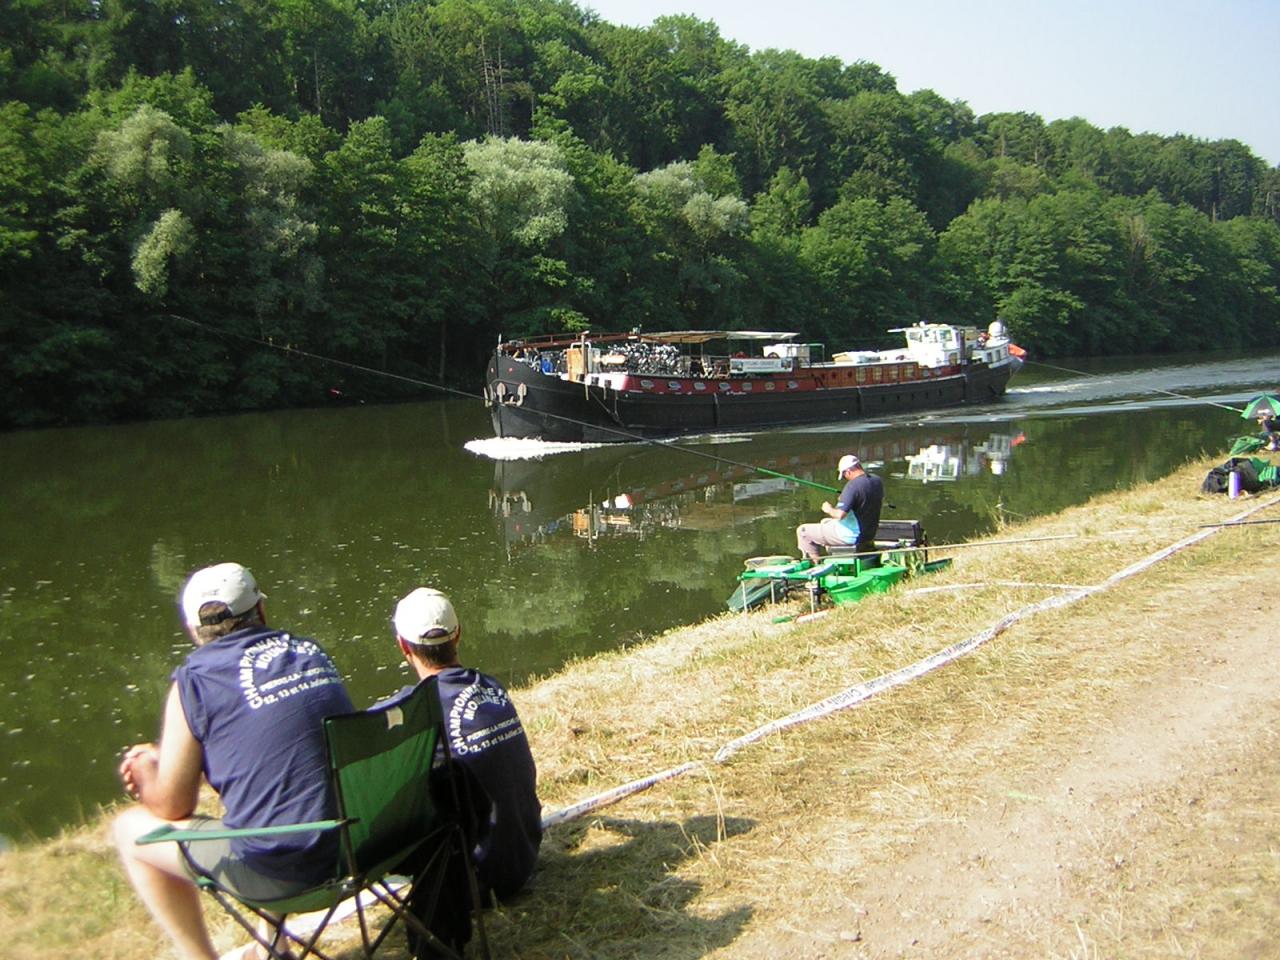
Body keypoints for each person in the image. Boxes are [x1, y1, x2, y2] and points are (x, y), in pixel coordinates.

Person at [113, 562, 354, 960]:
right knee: (276, 789)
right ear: (261, 610)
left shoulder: (194, 680)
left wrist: (146, 768)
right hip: (358, 847)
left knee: (127, 829)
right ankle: (274, 945)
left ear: (194, 630)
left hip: (280, 874)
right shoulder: (310, 652)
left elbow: (174, 805)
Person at [380, 586, 542, 959]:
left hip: (479, 882)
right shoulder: (492, 687)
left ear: (404, 647)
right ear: (458, 634)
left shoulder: (411, 714)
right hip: (525, 857)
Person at [795, 453, 885, 565]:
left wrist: (828, 509)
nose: (845, 478)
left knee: (803, 531)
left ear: (848, 472)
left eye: (844, 475)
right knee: (825, 522)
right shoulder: (877, 481)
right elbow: (863, 500)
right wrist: (847, 498)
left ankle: (815, 566)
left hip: (851, 536)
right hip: (868, 533)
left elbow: (840, 515)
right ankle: (831, 557)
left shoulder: (852, 486)